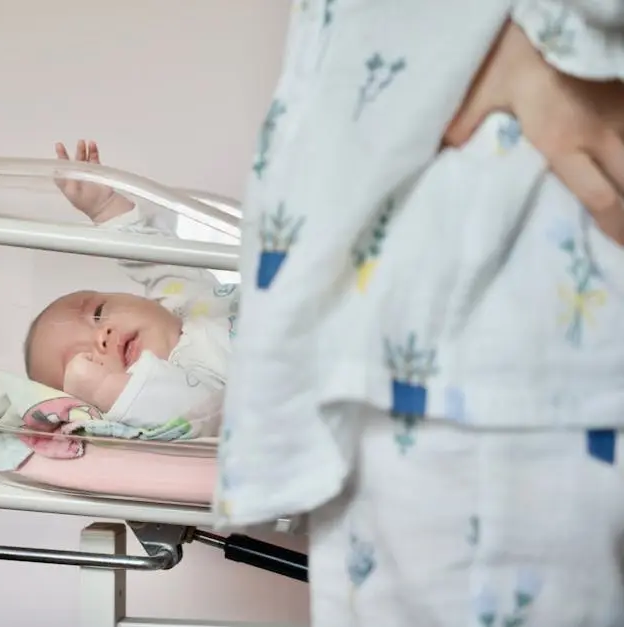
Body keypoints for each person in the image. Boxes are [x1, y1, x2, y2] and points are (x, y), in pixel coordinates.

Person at [212, 3, 624, 625]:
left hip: (502, 354)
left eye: (96, 311)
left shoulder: (190, 312)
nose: (102, 337)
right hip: (479, 352)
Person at [23, 139, 237, 436]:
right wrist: (105, 387)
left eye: (98, 313)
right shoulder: (182, 383)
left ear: (135, 297)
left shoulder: (182, 301)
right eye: (83, 362)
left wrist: (104, 207)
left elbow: (152, 257)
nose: (102, 336)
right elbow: (200, 417)